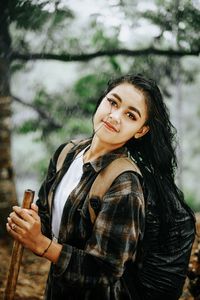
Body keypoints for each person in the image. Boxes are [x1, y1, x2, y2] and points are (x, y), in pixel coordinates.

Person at [7, 74, 195, 300]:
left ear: (141, 131)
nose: (114, 116)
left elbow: (105, 270)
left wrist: (41, 244)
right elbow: (49, 218)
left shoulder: (124, 184)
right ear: (102, 100)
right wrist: (32, 225)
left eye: (130, 115)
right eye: (112, 102)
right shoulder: (67, 153)